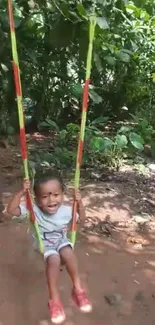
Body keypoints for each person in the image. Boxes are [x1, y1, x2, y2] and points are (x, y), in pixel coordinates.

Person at [7, 171, 92, 324]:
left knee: (68, 252)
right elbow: (11, 210)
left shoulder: (66, 211)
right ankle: (54, 300)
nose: (51, 200)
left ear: (62, 195)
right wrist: (21, 192)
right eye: (45, 196)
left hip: (61, 242)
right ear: (37, 199)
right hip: (44, 245)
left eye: (56, 195)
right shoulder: (33, 209)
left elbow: (82, 220)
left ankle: (78, 289)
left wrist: (79, 203)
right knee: (54, 260)